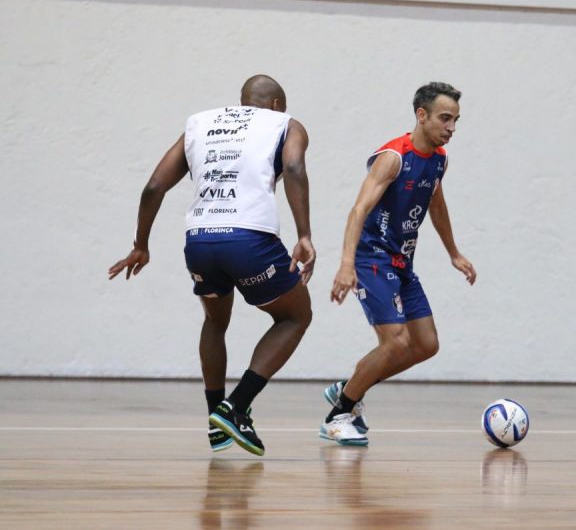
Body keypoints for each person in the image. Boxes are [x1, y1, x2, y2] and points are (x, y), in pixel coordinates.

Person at [108, 75, 315, 457]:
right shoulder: (285, 123)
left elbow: (154, 186)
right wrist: (304, 234)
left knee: (215, 321)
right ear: (275, 105)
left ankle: (215, 425)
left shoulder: (200, 123)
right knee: (295, 316)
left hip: (200, 241)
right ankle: (235, 407)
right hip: (249, 239)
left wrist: (141, 243)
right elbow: (295, 168)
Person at [322, 82, 477, 445]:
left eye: (455, 120)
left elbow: (435, 203)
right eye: (444, 118)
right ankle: (339, 413)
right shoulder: (394, 157)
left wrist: (454, 252)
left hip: (402, 262)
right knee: (396, 342)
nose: (451, 127)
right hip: (371, 258)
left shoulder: (438, 159)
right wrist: (346, 265)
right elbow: (358, 209)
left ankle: (350, 388)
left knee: (425, 344)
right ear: (421, 116)